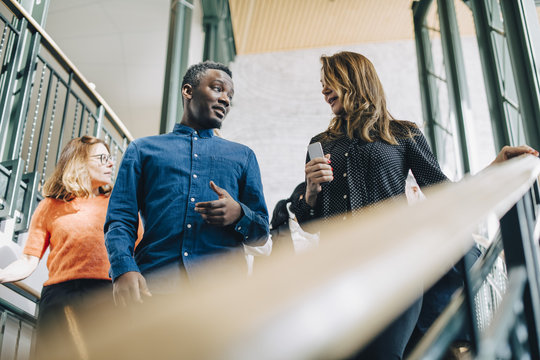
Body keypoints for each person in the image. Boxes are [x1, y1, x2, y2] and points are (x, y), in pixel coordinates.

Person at [290, 51, 538, 359]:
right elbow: (307, 222)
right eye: (323, 84)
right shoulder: (320, 143)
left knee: (388, 354)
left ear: (355, 80)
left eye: (331, 82)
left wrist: (494, 168)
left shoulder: (402, 133)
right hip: (338, 272)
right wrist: (311, 191)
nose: (324, 91)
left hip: (395, 265)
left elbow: (442, 193)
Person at [104, 61, 269, 305]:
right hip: (154, 289)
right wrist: (123, 268)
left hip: (224, 295)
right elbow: (120, 219)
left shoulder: (244, 156)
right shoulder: (142, 150)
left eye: (230, 96)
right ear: (188, 91)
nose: (225, 99)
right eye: (217, 89)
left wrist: (238, 214)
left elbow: (261, 233)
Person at [0, 136, 121, 359]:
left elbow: (140, 254)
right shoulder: (49, 206)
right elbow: (28, 261)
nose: (111, 164)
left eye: (111, 158)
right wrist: (2, 274)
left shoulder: (119, 204)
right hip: (59, 299)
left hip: (107, 297)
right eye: (102, 158)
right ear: (80, 161)